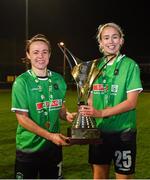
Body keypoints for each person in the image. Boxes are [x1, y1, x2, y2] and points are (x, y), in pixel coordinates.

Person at [79, 22, 143, 179]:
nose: (111, 41)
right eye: (106, 38)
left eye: (115, 37)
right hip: (99, 134)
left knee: (124, 177)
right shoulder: (94, 67)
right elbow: (91, 100)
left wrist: (100, 112)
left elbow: (131, 103)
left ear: (121, 40)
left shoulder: (130, 65)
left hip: (123, 133)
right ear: (100, 42)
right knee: (99, 176)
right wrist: (84, 114)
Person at [11, 34, 75, 179]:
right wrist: (50, 136)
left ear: (50, 54)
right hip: (29, 148)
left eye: (44, 52)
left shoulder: (58, 79)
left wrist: (67, 115)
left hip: (53, 148)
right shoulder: (22, 82)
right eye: (35, 52)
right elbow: (22, 119)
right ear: (28, 55)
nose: (41, 56)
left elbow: (60, 108)